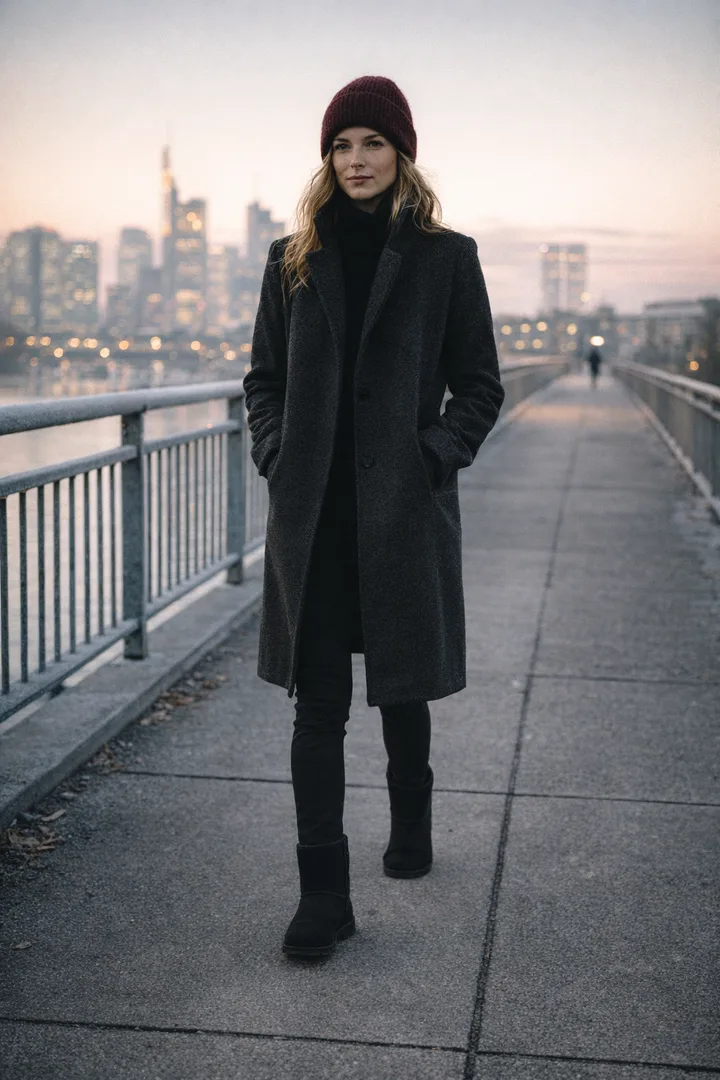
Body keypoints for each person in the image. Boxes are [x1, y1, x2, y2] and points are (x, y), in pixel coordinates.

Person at [243, 75, 505, 959]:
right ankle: (324, 896)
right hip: (313, 519)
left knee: (401, 684)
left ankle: (412, 818)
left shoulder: (446, 258)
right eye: (341, 146)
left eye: (372, 143)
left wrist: (434, 456)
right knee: (318, 706)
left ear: (402, 154)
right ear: (328, 159)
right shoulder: (291, 257)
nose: (355, 160)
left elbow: (480, 387)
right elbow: (263, 381)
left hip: (399, 510)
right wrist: (278, 454)